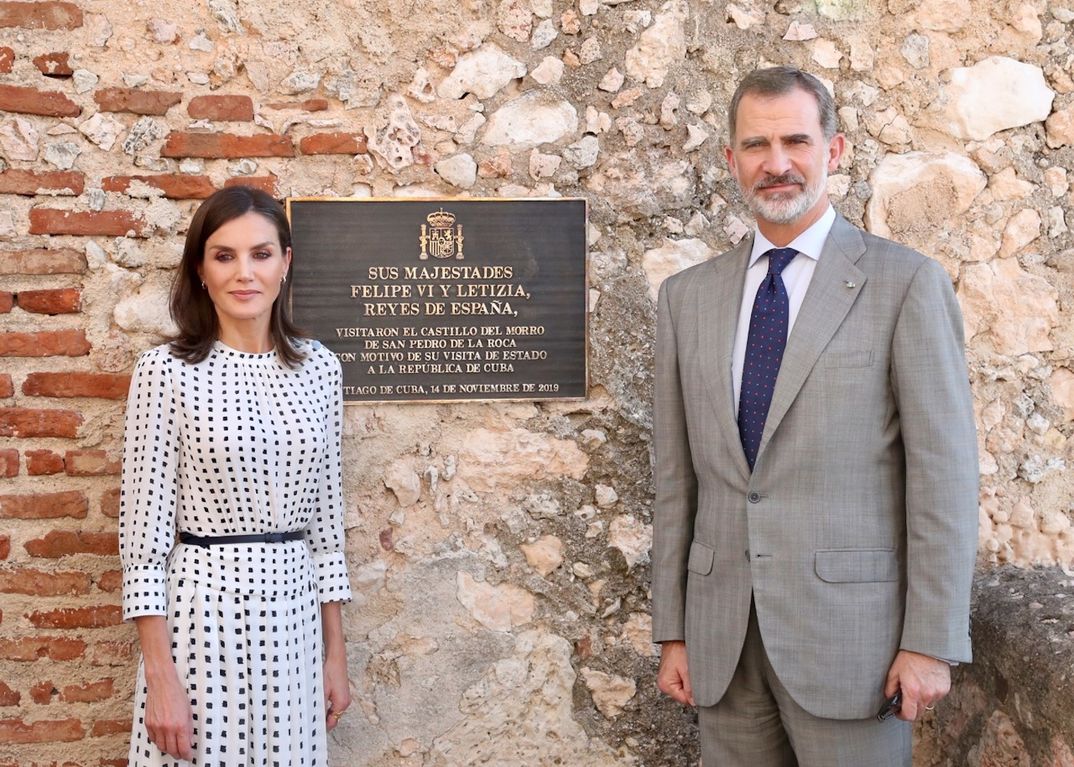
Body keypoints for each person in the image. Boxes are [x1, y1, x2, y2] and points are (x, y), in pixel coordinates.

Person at [651, 67, 978, 766]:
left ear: (834, 151)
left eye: (796, 141)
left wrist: (929, 642)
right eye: (756, 145)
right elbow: (678, 480)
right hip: (722, 647)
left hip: (853, 649)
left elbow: (942, 479)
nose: (776, 164)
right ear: (730, 160)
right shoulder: (687, 299)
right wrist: (673, 629)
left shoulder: (905, 285)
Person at [119, 186, 353, 766]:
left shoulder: (321, 369)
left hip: (293, 618)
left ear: (286, 262)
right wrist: (160, 677)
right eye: (224, 256)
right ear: (200, 268)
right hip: (201, 618)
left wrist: (335, 655)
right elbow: (142, 543)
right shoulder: (166, 373)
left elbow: (326, 529)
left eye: (261, 254)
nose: (244, 273)